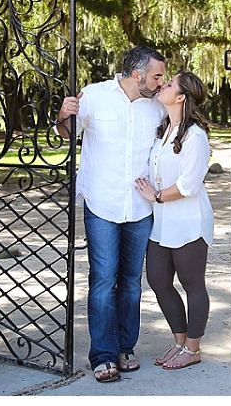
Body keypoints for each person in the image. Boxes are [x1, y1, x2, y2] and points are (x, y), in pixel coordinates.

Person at [55, 46, 167, 383]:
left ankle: (124, 347)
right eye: (157, 75)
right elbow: (67, 132)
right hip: (101, 202)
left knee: (132, 282)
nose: (161, 81)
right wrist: (63, 114)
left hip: (139, 206)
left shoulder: (156, 106)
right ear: (137, 75)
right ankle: (102, 354)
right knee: (103, 279)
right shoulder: (94, 95)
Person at [133, 71, 213, 370]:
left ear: (180, 96)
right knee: (158, 280)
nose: (161, 85)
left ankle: (193, 348)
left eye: (168, 84)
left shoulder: (195, 136)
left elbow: (189, 184)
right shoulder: (164, 129)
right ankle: (180, 342)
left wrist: (155, 196)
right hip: (162, 221)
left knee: (192, 283)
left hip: (189, 220)